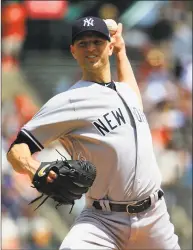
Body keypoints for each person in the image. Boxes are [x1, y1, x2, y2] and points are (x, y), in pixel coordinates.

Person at [7, 16, 180, 250]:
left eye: (97, 42)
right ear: (73, 51)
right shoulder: (69, 101)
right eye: (83, 43)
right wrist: (32, 168)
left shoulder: (126, 91)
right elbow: (17, 149)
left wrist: (121, 49)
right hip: (104, 221)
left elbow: (131, 87)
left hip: (154, 217)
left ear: (108, 46)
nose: (90, 48)